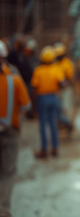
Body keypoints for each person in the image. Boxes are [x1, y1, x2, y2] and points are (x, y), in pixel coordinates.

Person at [0, 41, 31, 217]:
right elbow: (26, 106)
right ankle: (3, 210)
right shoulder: (15, 80)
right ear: (4, 57)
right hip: (10, 132)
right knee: (7, 172)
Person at [31, 46, 64, 158]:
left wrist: (34, 105)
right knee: (53, 124)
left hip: (42, 98)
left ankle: (44, 150)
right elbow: (62, 83)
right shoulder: (56, 69)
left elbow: (34, 87)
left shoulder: (38, 71)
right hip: (53, 97)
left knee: (43, 125)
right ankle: (54, 148)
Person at [54, 42, 75, 131]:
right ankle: (60, 127)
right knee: (58, 108)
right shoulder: (54, 63)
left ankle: (67, 126)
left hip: (66, 89)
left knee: (65, 108)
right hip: (56, 89)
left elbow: (70, 77)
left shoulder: (67, 63)